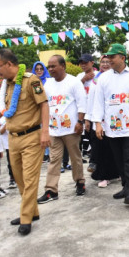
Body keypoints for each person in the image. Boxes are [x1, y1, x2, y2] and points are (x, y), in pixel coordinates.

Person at [0, 49, 50, 236]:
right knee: (20, 179)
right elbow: (1, 110)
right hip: (12, 138)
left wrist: (45, 132)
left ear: (9, 64)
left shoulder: (31, 80)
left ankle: (25, 218)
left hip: (32, 136)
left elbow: (44, 104)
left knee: (30, 180)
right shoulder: (6, 85)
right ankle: (32, 212)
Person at [92, 43, 129, 205]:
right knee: (118, 160)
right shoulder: (103, 78)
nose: (109, 59)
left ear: (122, 58)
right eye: (108, 56)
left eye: (112, 56)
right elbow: (99, 103)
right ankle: (125, 186)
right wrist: (98, 123)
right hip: (112, 128)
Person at [37, 55, 87, 203]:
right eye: (49, 67)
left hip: (71, 129)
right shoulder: (48, 84)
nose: (50, 69)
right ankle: (51, 190)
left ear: (63, 66)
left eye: (53, 66)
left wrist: (80, 121)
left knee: (75, 157)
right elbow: (45, 105)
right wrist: (45, 127)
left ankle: (80, 182)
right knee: (54, 159)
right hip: (54, 130)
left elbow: (82, 103)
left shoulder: (74, 82)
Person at [87, 55, 119, 188]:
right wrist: (89, 119)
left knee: (115, 149)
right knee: (102, 148)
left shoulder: (116, 78)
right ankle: (104, 175)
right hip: (99, 119)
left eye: (107, 62)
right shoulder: (95, 80)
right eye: (103, 62)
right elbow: (91, 100)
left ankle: (117, 173)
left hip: (115, 119)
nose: (105, 64)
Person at [77, 54, 98, 163]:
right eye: (81, 63)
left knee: (94, 136)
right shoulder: (79, 76)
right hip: (82, 111)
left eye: (86, 63)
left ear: (92, 63)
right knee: (82, 135)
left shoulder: (98, 75)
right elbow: (74, 91)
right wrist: (83, 79)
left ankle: (94, 159)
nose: (83, 65)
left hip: (94, 111)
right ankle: (83, 154)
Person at [33, 62, 51, 163]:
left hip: (47, 109)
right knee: (38, 131)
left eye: (41, 69)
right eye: (37, 69)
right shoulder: (33, 82)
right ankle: (42, 153)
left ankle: (47, 153)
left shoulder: (48, 81)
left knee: (46, 130)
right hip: (36, 110)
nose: (39, 71)